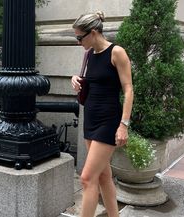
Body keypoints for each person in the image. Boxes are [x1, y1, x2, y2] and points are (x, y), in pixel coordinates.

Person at [71, 11, 134, 217]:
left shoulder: (117, 52)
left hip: (108, 121)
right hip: (90, 119)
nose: (78, 41)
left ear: (94, 32)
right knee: (104, 177)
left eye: (80, 37)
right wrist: (76, 79)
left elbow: (128, 89)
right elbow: (93, 84)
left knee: (87, 178)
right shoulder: (89, 55)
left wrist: (123, 124)